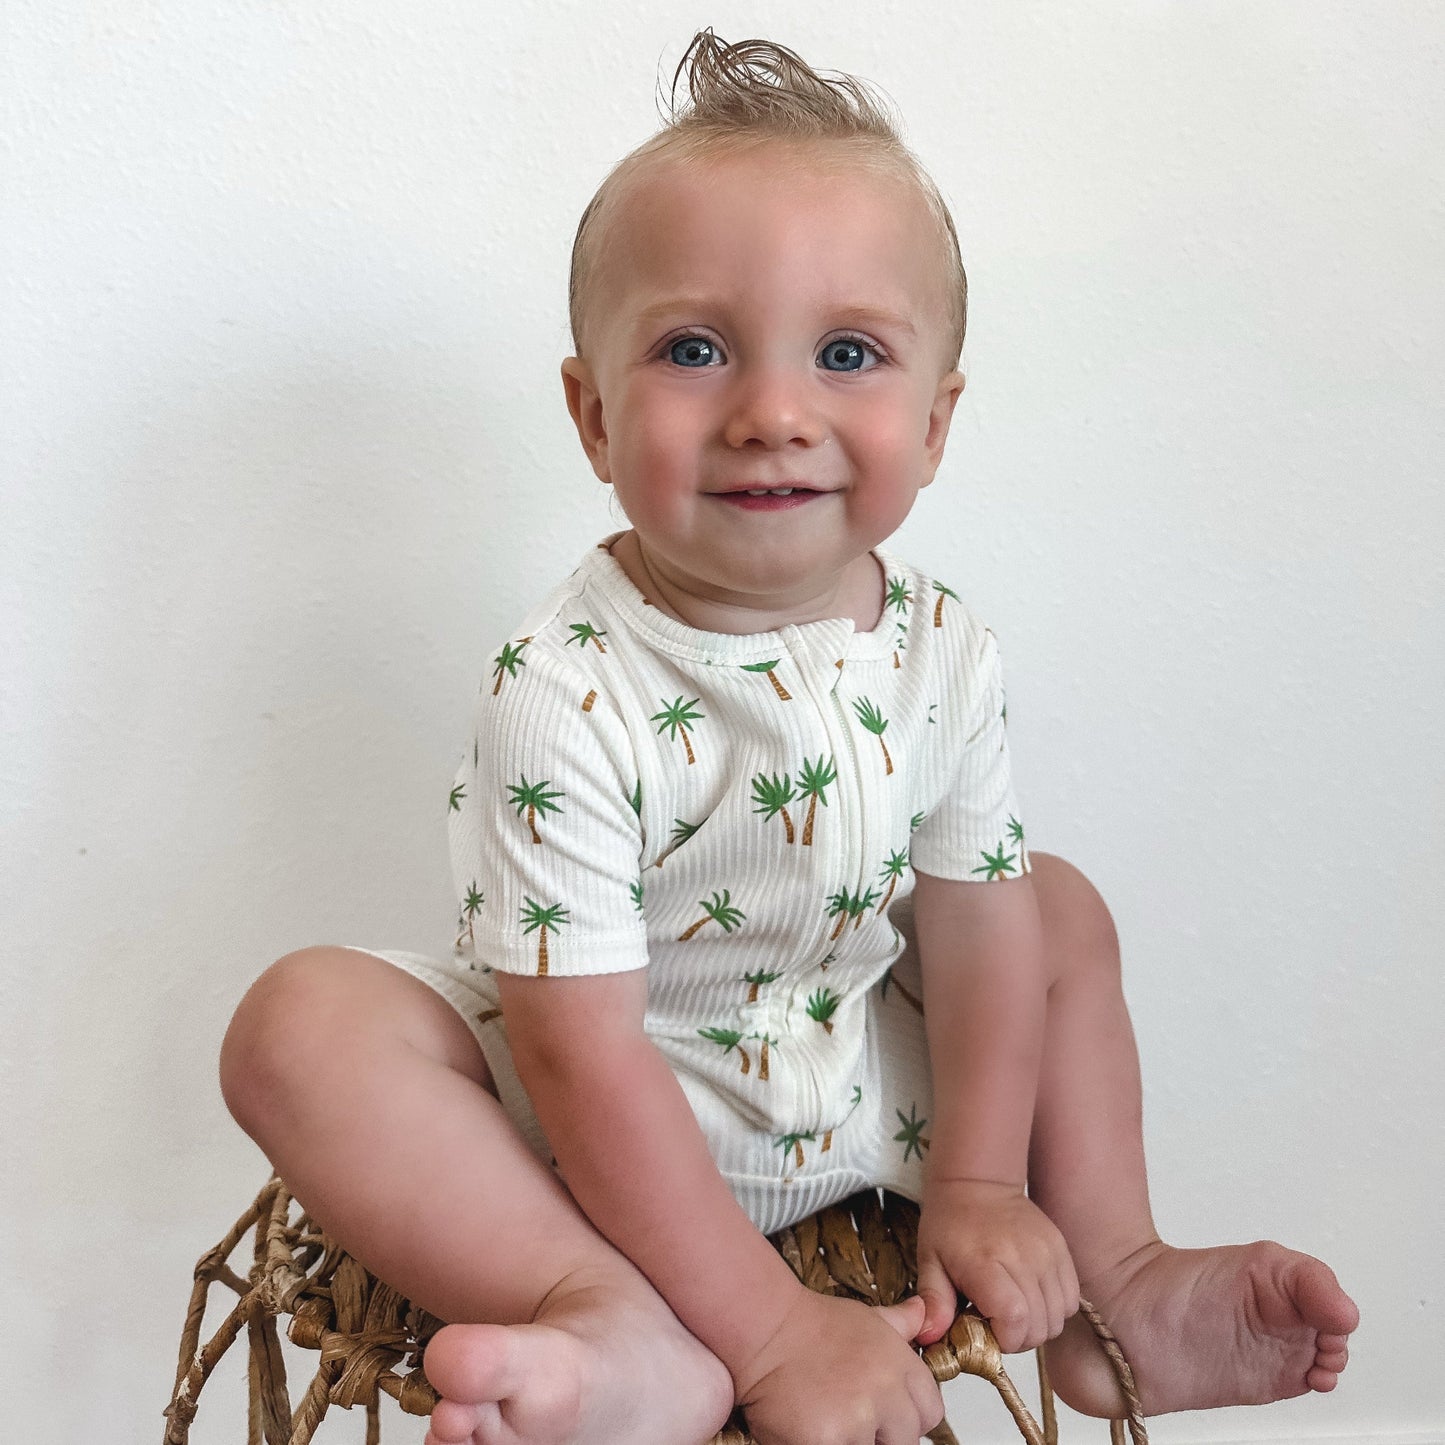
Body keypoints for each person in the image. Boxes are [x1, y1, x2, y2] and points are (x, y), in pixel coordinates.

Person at [219, 32, 1359, 1445]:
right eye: (693, 350)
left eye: (846, 354)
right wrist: (768, 1332)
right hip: (593, 1108)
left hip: (848, 1063)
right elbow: (576, 1054)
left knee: (1049, 903)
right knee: (299, 1027)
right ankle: (609, 1314)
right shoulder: (561, 685)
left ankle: (1115, 1282)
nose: (771, 413)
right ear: (592, 415)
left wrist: (979, 1181)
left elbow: (978, 928)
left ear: (935, 422)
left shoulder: (943, 645)